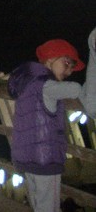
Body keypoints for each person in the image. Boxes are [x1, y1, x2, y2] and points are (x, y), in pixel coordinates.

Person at [8, 28, 96, 212]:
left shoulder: (28, 84)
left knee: (38, 204)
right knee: (49, 207)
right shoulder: (46, 86)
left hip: (27, 159)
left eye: (72, 67)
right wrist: (86, 86)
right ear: (50, 59)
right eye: (67, 63)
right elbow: (74, 90)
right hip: (44, 159)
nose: (70, 71)